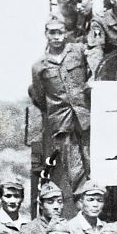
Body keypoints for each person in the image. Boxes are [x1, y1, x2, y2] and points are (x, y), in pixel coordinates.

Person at [29, 15, 90, 200]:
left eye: (60, 32)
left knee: (91, 160)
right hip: (61, 122)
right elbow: (40, 97)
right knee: (74, 170)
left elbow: (92, 72)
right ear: (46, 34)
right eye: (52, 32)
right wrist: (56, 111)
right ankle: (82, 203)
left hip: (85, 115)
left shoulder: (78, 51)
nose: (56, 36)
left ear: (65, 33)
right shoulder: (39, 66)